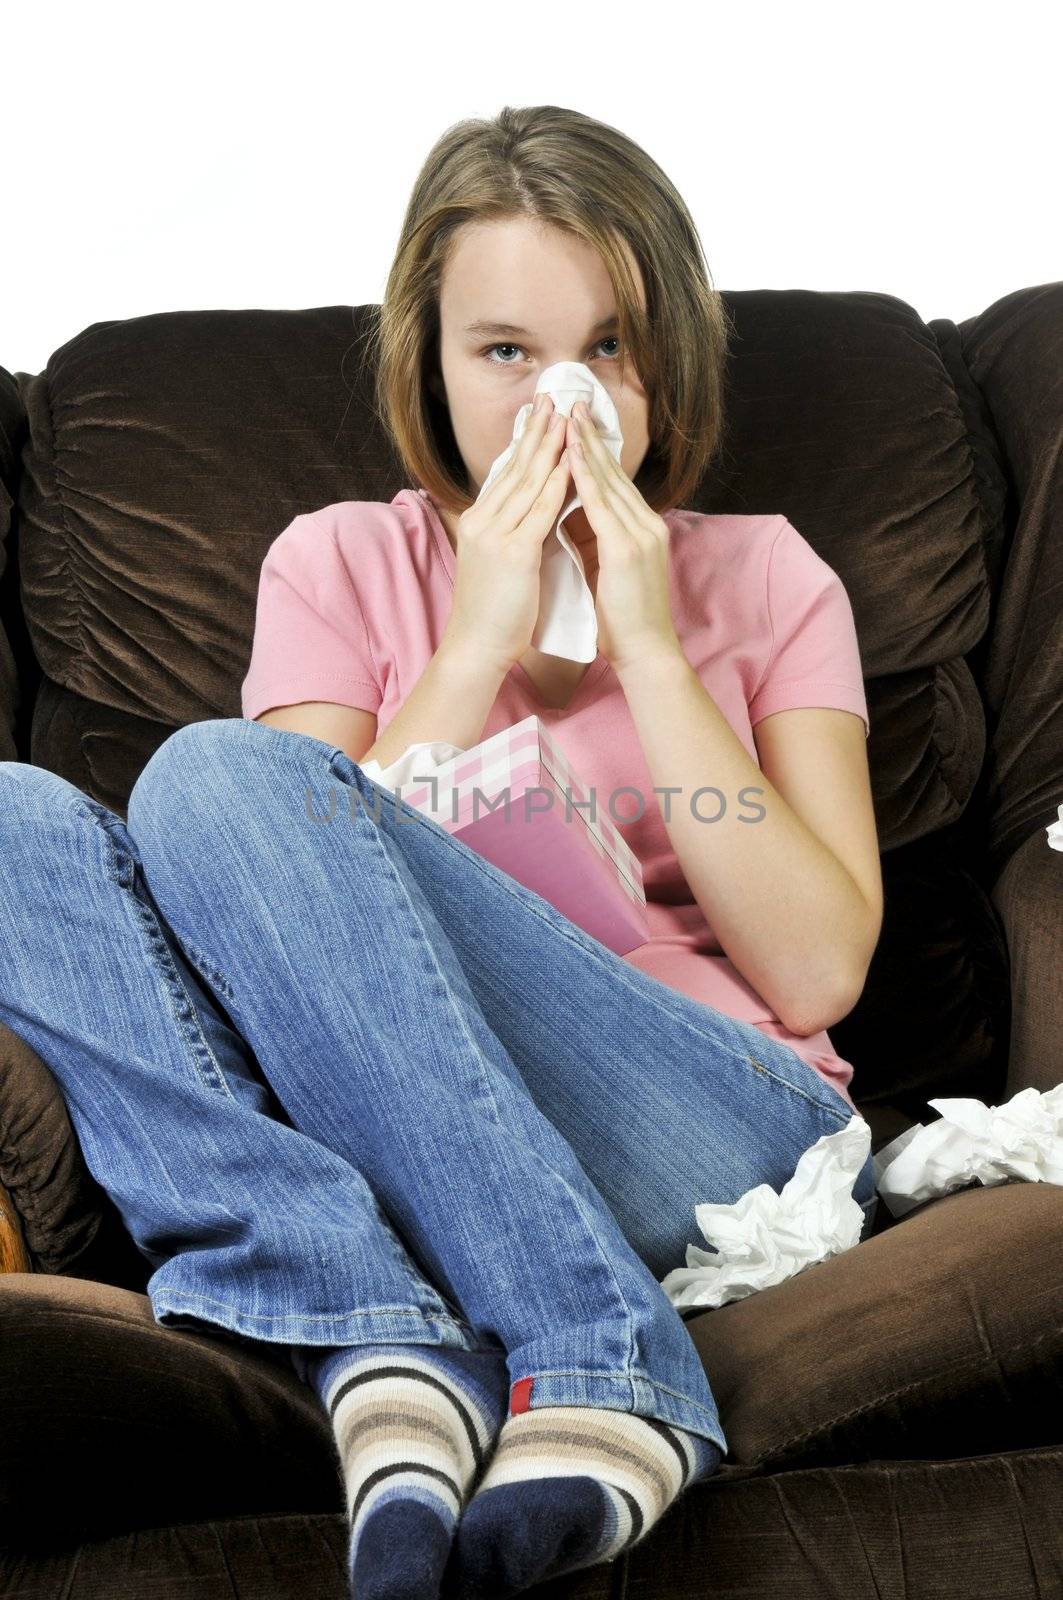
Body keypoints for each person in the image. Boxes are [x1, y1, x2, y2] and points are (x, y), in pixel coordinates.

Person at [0, 103, 882, 1600]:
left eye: (612, 347)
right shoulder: (340, 560)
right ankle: (381, 1328)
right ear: (433, 360)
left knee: (224, 774)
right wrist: (474, 635)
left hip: (708, 1123)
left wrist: (657, 654)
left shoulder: (769, 574)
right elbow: (255, 903)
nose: (567, 399)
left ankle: (598, 1352)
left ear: (673, 353)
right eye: (508, 352)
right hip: (390, 1121)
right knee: (49, 815)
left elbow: (817, 966)